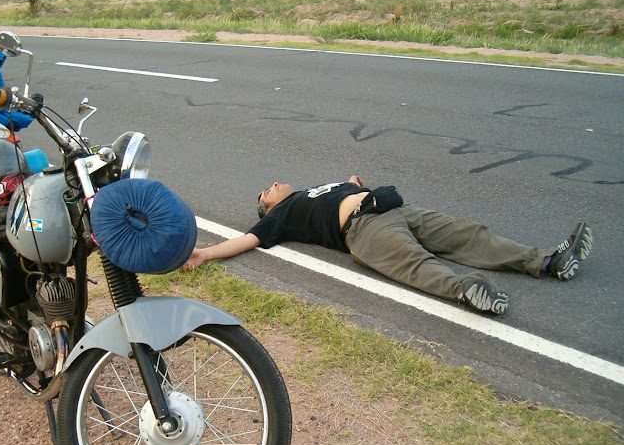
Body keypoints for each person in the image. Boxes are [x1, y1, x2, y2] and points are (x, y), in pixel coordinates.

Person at [182, 176, 593, 315]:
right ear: (267, 207)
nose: (270, 186)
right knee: (414, 263)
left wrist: (354, 184)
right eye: (264, 192)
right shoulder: (280, 215)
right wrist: (204, 253)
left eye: (270, 186)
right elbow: (246, 240)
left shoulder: (310, 189)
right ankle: (466, 290)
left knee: (470, 235)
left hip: (391, 207)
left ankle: (548, 261)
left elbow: (344, 190)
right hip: (364, 231)